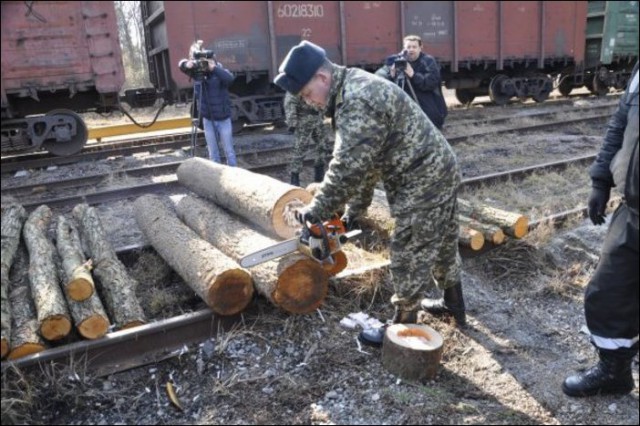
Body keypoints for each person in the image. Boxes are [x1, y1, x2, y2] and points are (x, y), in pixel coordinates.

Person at [274, 40, 465, 346]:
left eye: (308, 95)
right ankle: (454, 306)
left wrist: (317, 211)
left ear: (322, 78)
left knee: (407, 252)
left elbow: (347, 167)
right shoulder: (351, 89)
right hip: (433, 171)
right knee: (442, 241)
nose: (310, 103)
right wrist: (353, 212)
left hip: (423, 179)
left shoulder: (356, 100)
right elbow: (366, 165)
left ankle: (402, 328)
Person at [562, 62, 638, 397]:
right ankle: (615, 373)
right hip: (633, 209)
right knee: (608, 292)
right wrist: (601, 180)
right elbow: (620, 125)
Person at [375, 35, 447, 130]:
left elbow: (431, 82)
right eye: (408, 47)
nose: (411, 50)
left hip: (427, 101)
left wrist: (413, 74)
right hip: (407, 102)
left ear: (420, 48)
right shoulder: (398, 60)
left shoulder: (428, 61)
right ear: (404, 48)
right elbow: (378, 77)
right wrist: (391, 75)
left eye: (414, 47)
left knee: (430, 121)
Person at [178, 53, 237, 166]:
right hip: (208, 120)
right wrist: (186, 64)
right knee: (213, 153)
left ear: (213, 61)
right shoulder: (198, 74)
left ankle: (233, 173)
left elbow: (229, 79)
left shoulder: (221, 72)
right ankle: (216, 177)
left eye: (208, 62)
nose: (205, 65)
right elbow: (181, 65)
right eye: (203, 62)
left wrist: (214, 68)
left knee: (229, 151)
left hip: (223, 119)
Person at [283, 92, 332, 186]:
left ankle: (319, 177)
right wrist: (292, 122)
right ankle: (294, 179)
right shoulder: (297, 86)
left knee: (322, 147)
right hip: (303, 121)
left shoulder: (312, 83)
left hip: (318, 120)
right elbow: (290, 102)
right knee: (300, 149)